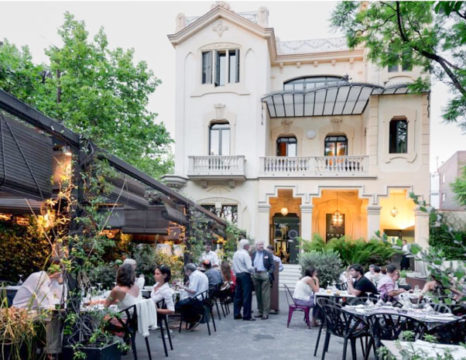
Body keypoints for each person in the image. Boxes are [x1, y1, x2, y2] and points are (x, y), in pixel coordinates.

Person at [12, 259, 65, 360]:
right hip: (22, 312)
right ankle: (52, 353)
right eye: (60, 269)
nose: (61, 272)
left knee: (57, 315)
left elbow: (61, 299)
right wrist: (59, 305)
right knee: (54, 315)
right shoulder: (38, 277)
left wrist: (60, 283)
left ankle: (53, 349)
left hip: (36, 310)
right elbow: (46, 303)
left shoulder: (52, 280)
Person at [175, 263, 209, 330]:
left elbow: (193, 291)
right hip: (204, 298)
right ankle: (192, 320)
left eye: (185, 271)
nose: (185, 273)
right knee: (183, 302)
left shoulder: (194, 275)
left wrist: (182, 287)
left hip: (197, 299)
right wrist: (189, 282)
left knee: (178, 305)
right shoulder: (198, 273)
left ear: (189, 270)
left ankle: (194, 318)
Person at [232, 238, 255, 321]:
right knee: (247, 296)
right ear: (246, 246)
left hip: (238, 275)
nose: (249, 246)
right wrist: (255, 269)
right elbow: (249, 267)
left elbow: (233, 266)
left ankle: (237, 313)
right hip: (245, 276)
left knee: (238, 295)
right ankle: (247, 315)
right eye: (248, 245)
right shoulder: (245, 254)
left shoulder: (236, 254)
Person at [251, 240, 275, 320]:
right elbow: (251, 263)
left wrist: (269, 273)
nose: (261, 246)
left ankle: (265, 313)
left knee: (265, 295)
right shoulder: (253, 253)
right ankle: (260, 311)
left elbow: (272, 265)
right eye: (259, 244)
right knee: (258, 294)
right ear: (256, 246)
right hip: (256, 274)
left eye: (262, 244)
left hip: (264, 274)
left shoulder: (267, 253)